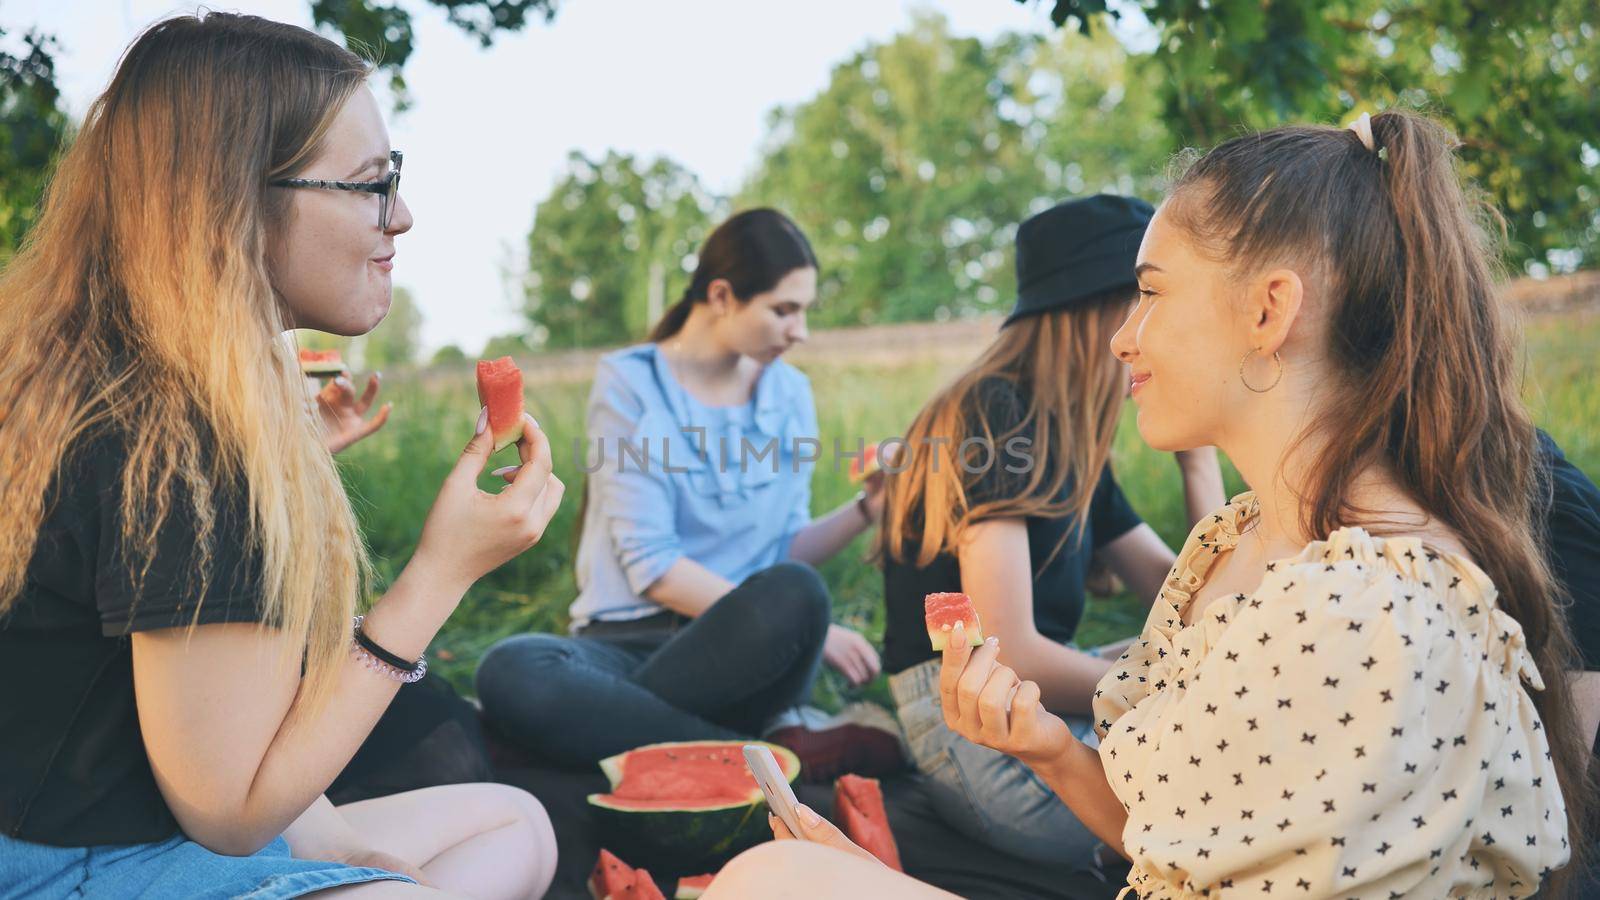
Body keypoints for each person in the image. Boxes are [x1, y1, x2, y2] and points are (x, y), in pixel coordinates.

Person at [704, 110, 1594, 899]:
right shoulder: (1231, 536)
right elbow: (1172, 822)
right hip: (972, 709)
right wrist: (1054, 746)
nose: (1131, 332)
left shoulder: (1355, 610)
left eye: (1154, 290)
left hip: (1046, 711)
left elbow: (1181, 614)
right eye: (1127, 296)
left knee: (763, 878)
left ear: (1270, 309)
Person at [0, 12, 563, 898]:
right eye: (373, 184)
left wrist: (331, 836)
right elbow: (229, 810)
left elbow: (221, 718)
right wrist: (440, 575)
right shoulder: (184, 440)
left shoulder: (116, 371)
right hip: (67, 869)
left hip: (106, 832)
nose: (403, 217)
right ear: (235, 201)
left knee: (515, 823)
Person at [476, 209, 901, 781]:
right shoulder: (629, 383)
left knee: (799, 592)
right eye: (784, 309)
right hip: (630, 643)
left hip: (741, 656)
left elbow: (783, 552)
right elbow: (655, 570)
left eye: (804, 311)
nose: (801, 331)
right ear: (722, 295)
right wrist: (819, 634)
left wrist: (869, 510)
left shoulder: (791, 394)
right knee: (515, 668)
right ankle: (761, 758)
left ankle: (621, 746)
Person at [875, 194, 1224, 867]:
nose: (1163, 328)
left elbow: (1185, 599)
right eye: (1149, 298)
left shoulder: (1069, 436)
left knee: (1212, 660)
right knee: (1187, 823)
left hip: (1036, 706)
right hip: (976, 720)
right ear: (1097, 309)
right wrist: (1178, 689)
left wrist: (1199, 457)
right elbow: (1011, 653)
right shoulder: (996, 412)